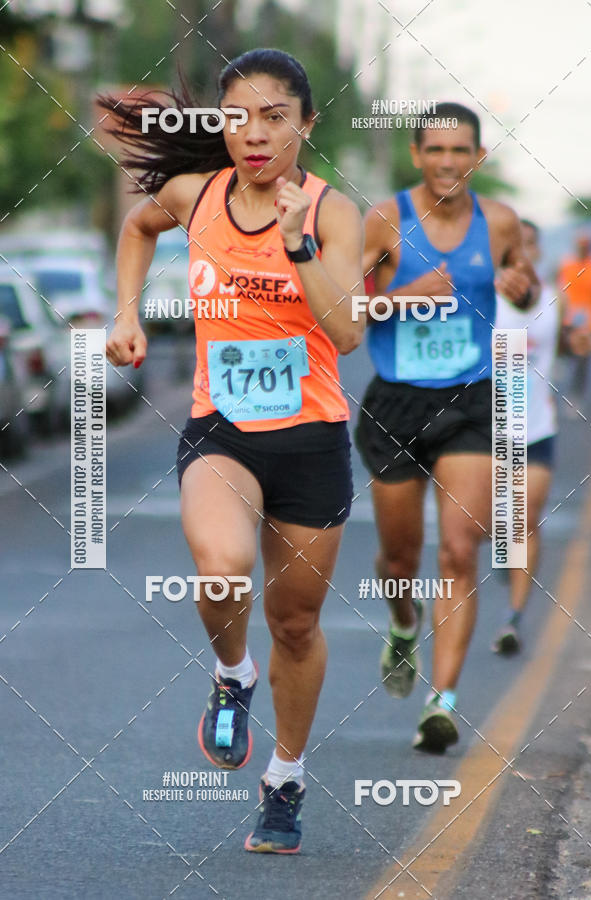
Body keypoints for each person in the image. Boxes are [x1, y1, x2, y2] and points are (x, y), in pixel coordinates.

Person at [102, 48, 364, 853]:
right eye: (237, 117)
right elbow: (137, 224)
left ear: (305, 123)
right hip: (224, 431)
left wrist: (300, 247)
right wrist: (127, 314)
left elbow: (348, 332)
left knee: (295, 622)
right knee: (220, 567)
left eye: (274, 118)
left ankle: (284, 779)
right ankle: (231, 673)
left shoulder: (331, 213)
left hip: (312, 440)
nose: (253, 135)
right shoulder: (196, 193)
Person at [355, 102, 538, 753]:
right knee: (400, 558)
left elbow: (524, 287)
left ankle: (443, 701)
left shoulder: (501, 222)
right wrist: (403, 296)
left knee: (460, 550)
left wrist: (523, 286)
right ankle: (403, 623)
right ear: (416, 155)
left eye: (460, 151)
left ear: (478, 158)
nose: (448, 163)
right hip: (395, 403)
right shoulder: (384, 220)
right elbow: (342, 314)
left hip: (472, 400)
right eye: (435, 150)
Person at [492, 220, 591, 654]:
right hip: (481, 429)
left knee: (524, 518)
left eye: (529, 245)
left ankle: (514, 617)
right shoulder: (480, 298)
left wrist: (578, 342)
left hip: (534, 426)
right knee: (495, 522)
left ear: (538, 253)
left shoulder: (556, 299)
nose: (521, 253)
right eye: (512, 245)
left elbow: (573, 341)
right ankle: (504, 550)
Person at [557, 232, 591, 406]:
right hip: (570, 321)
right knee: (569, 355)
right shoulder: (567, 265)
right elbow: (560, 291)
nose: (582, 248)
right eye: (580, 245)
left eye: (585, 244)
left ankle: (575, 396)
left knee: (583, 359)